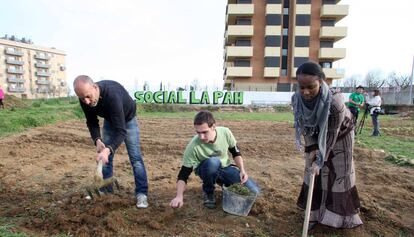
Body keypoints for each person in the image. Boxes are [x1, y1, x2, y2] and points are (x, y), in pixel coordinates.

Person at [292, 61, 362, 229]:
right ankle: (314, 214)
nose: (305, 92)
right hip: (315, 135)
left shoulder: (334, 102)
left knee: (339, 172)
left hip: (341, 134)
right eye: (301, 87)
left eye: (311, 87)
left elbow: (331, 135)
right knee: (312, 172)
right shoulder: (296, 100)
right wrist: (312, 149)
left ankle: (338, 217)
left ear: (322, 82)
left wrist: (321, 159)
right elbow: (304, 128)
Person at [73, 75, 149, 208]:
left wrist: (108, 149)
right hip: (109, 119)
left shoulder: (112, 94)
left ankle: (142, 194)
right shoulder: (84, 98)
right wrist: (97, 139)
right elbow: (91, 121)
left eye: (88, 96)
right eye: (82, 98)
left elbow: (121, 131)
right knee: (106, 159)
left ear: (95, 87)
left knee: (135, 158)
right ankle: (106, 191)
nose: (86, 101)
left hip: (127, 119)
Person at [170, 110, 260, 209]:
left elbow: (235, 152)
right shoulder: (193, 146)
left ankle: (224, 183)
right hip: (206, 169)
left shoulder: (225, 132)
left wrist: (242, 170)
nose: (201, 137)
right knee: (213, 162)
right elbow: (183, 174)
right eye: (198, 132)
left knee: (254, 192)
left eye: (204, 132)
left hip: (225, 168)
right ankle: (208, 192)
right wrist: (179, 197)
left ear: (213, 127)